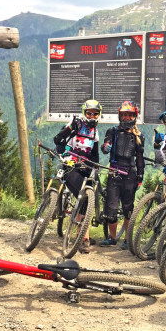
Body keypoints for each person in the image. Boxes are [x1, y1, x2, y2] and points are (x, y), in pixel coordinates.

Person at [53, 100, 102, 254]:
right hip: (70, 166)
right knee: (84, 197)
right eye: (89, 113)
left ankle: (82, 228)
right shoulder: (75, 124)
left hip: (85, 167)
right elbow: (58, 141)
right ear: (84, 113)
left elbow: (94, 154)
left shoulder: (95, 132)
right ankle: (84, 238)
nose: (92, 116)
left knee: (93, 194)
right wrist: (64, 155)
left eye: (95, 113)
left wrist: (96, 167)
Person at [99, 101, 145, 249]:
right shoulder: (112, 131)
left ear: (134, 117)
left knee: (128, 208)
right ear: (120, 116)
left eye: (129, 115)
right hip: (114, 172)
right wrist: (106, 147)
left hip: (130, 174)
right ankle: (112, 239)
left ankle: (127, 239)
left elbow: (140, 157)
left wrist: (140, 175)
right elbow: (104, 147)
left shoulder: (139, 136)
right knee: (111, 209)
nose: (127, 118)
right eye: (124, 115)